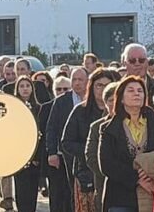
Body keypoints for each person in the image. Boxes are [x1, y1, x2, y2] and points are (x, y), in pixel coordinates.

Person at [99, 76, 154, 212]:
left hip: (153, 192)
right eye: (131, 90)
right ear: (121, 98)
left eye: (140, 91)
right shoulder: (108, 128)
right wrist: (137, 179)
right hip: (121, 196)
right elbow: (106, 164)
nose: (136, 93)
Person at [62, 68, 121, 212]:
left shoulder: (122, 113)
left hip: (114, 173)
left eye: (107, 85)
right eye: (99, 85)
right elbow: (66, 142)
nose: (103, 89)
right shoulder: (80, 111)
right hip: (85, 172)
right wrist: (91, 152)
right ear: (92, 86)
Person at [46, 67, 89, 212]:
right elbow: (51, 128)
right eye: (74, 79)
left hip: (87, 152)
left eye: (80, 80)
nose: (77, 83)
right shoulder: (61, 101)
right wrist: (52, 152)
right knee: (68, 190)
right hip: (66, 153)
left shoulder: (93, 100)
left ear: (87, 81)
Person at [86, 82, 121, 212]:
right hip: (105, 184)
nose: (115, 103)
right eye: (111, 100)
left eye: (118, 99)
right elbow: (91, 157)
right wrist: (111, 171)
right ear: (105, 103)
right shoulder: (97, 127)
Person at [12, 77, 43, 212]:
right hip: (19, 158)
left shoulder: (39, 108)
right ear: (17, 89)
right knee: (21, 193)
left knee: (32, 195)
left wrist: (36, 157)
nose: (25, 89)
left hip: (34, 158)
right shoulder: (14, 109)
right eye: (22, 86)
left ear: (32, 89)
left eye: (27, 86)